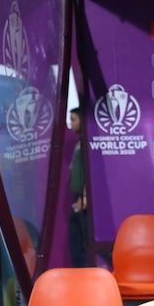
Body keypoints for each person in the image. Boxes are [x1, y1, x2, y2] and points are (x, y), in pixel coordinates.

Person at [66, 107, 91, 267]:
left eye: (73, 119)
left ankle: (86, 272)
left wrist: (85, 196)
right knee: (76, 237)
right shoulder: (79, 142)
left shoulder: (88, 143)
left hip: (84, 199)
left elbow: (90, 171)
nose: (70, 123)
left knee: (84, 239)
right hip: (78, 197)